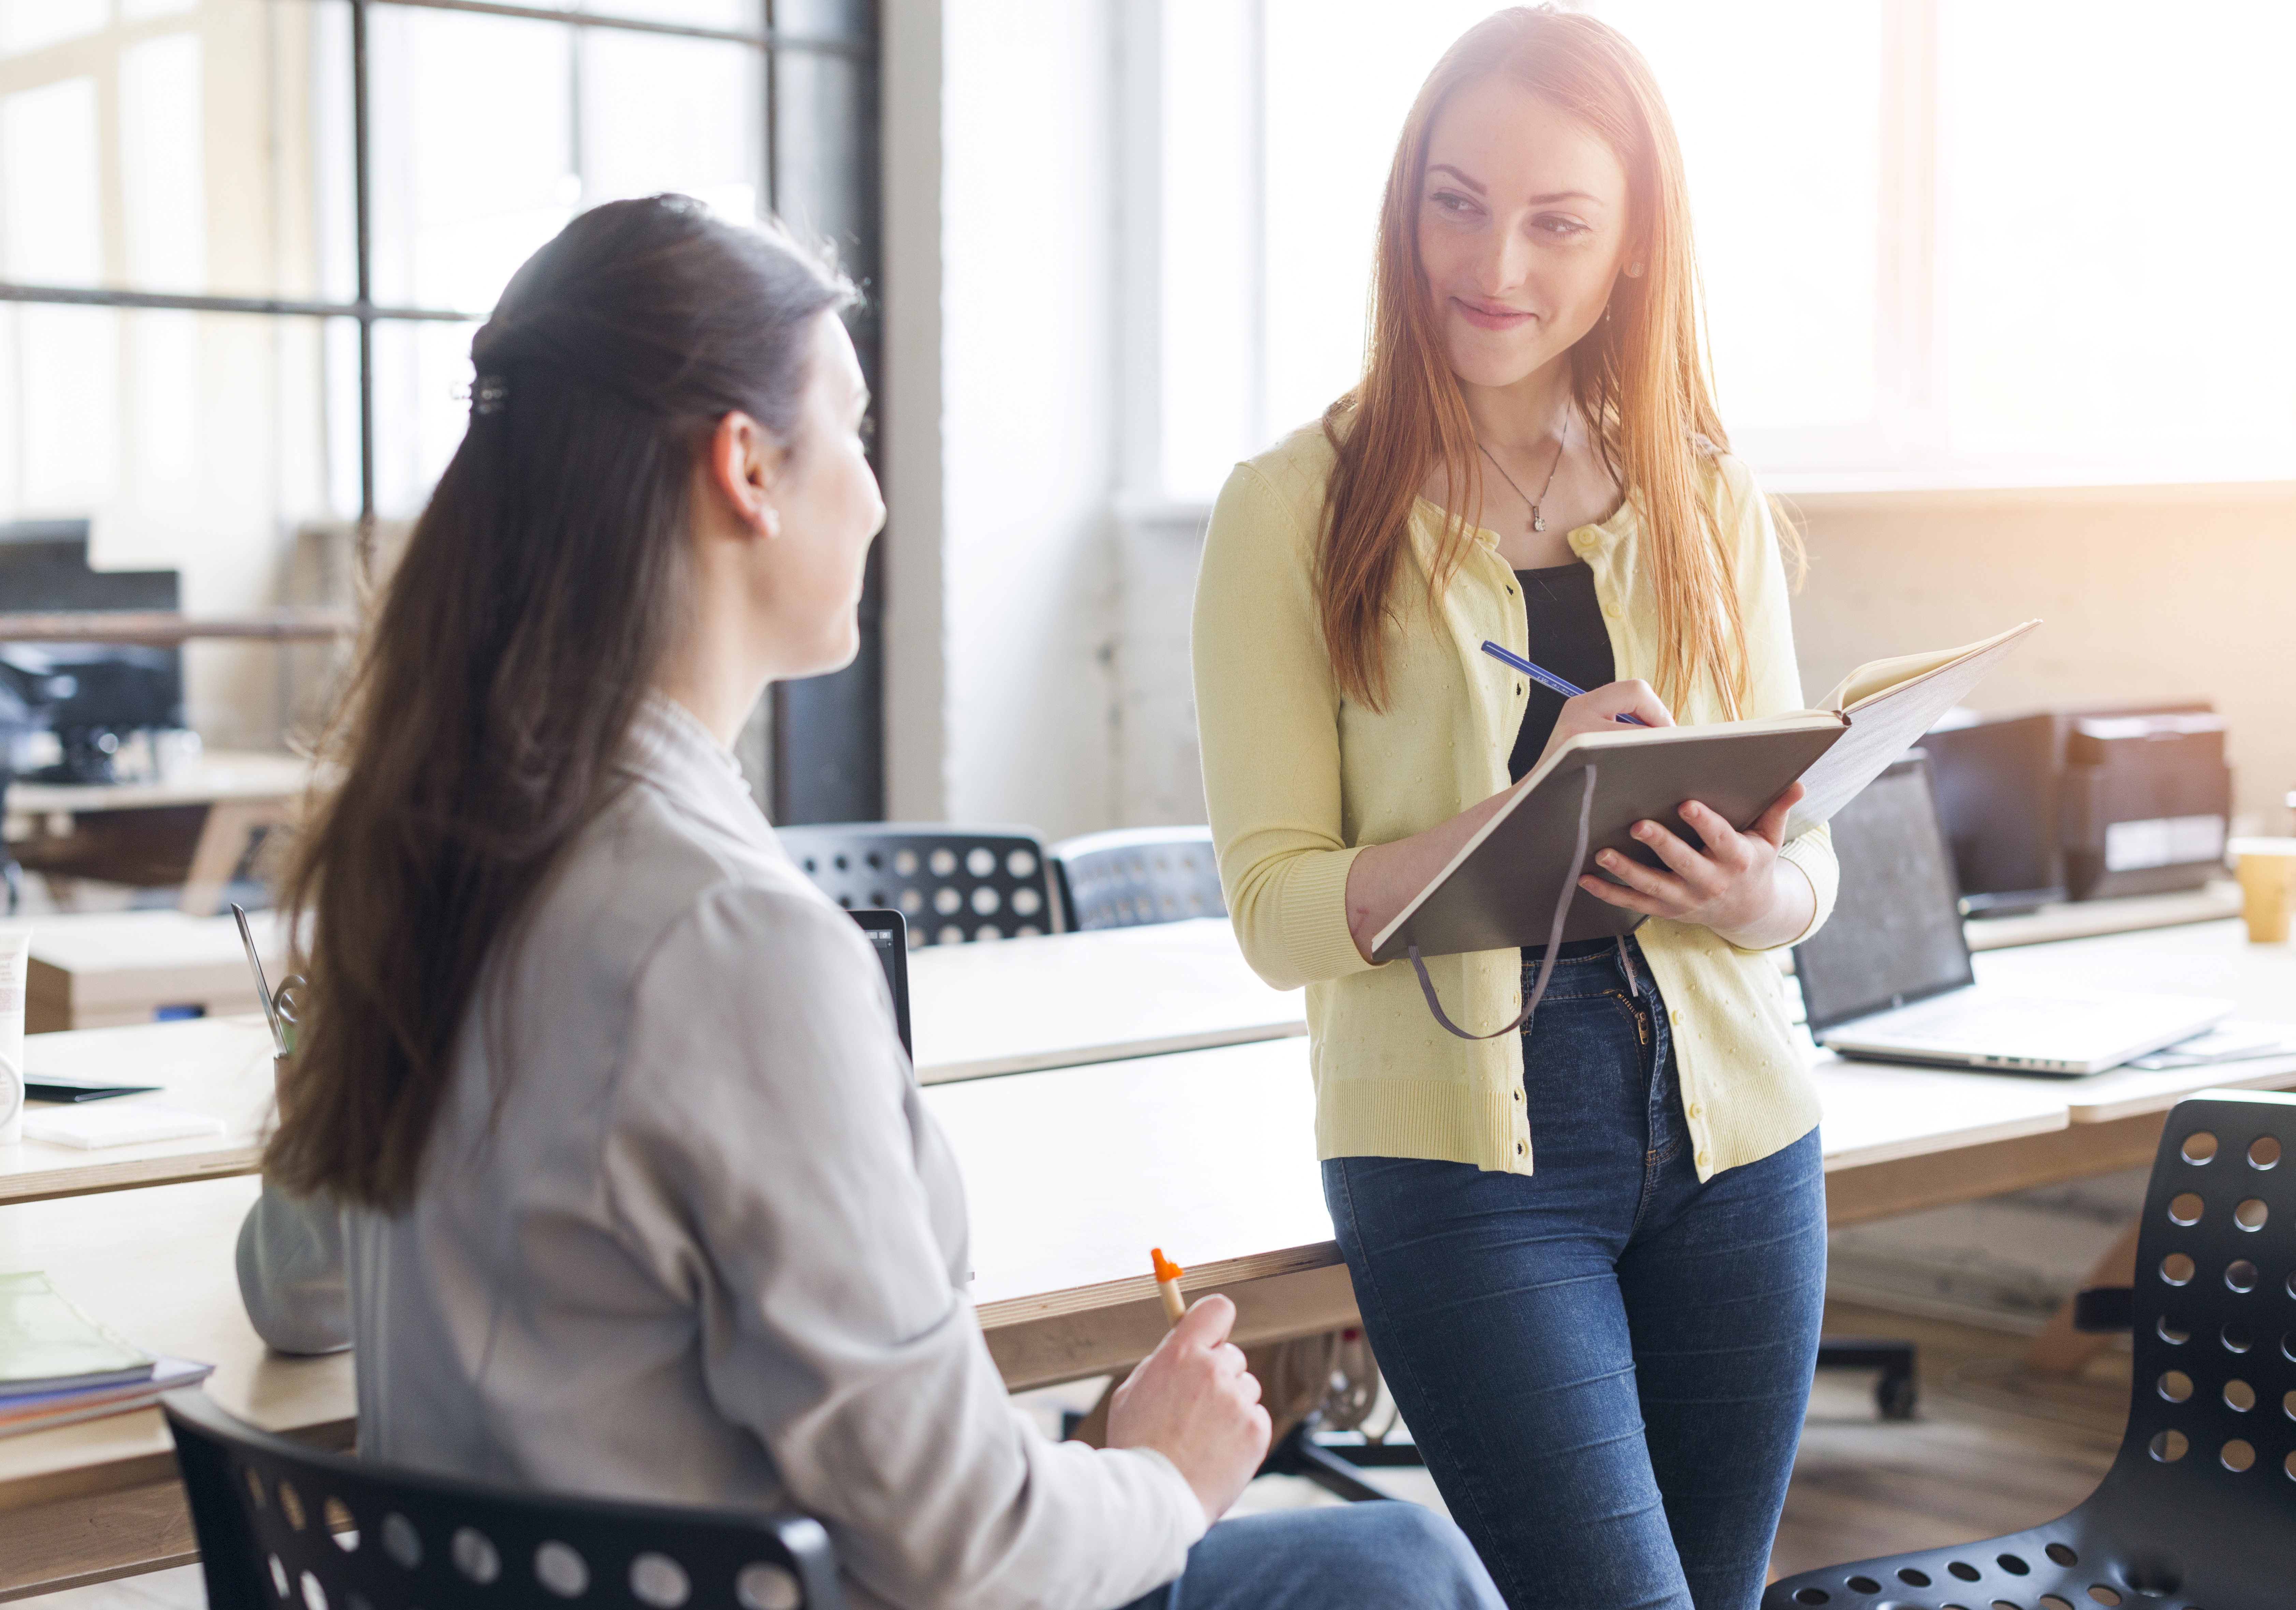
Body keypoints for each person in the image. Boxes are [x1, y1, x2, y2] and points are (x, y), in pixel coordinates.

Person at [235, 196, 1501, 1610]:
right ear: (747, 470)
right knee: (1398, 1564)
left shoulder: (435, 851)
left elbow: (298, 1286)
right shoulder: (721, 935)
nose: (880, 492)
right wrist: (1160, 1468)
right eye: (852, 430)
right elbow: (964, 1554)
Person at [1191, 10, 1836, 1610]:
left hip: (1742, 1138)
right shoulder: (1292, 509)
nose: (1494, 262)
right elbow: (1277, 910)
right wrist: (1528, 815)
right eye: (1457, 201)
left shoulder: (1705, 492)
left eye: (1560, 224)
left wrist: (1757, 891)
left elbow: (1805, 862)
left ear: (1630, 254)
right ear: (1406, 203)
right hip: (1465, 1168)